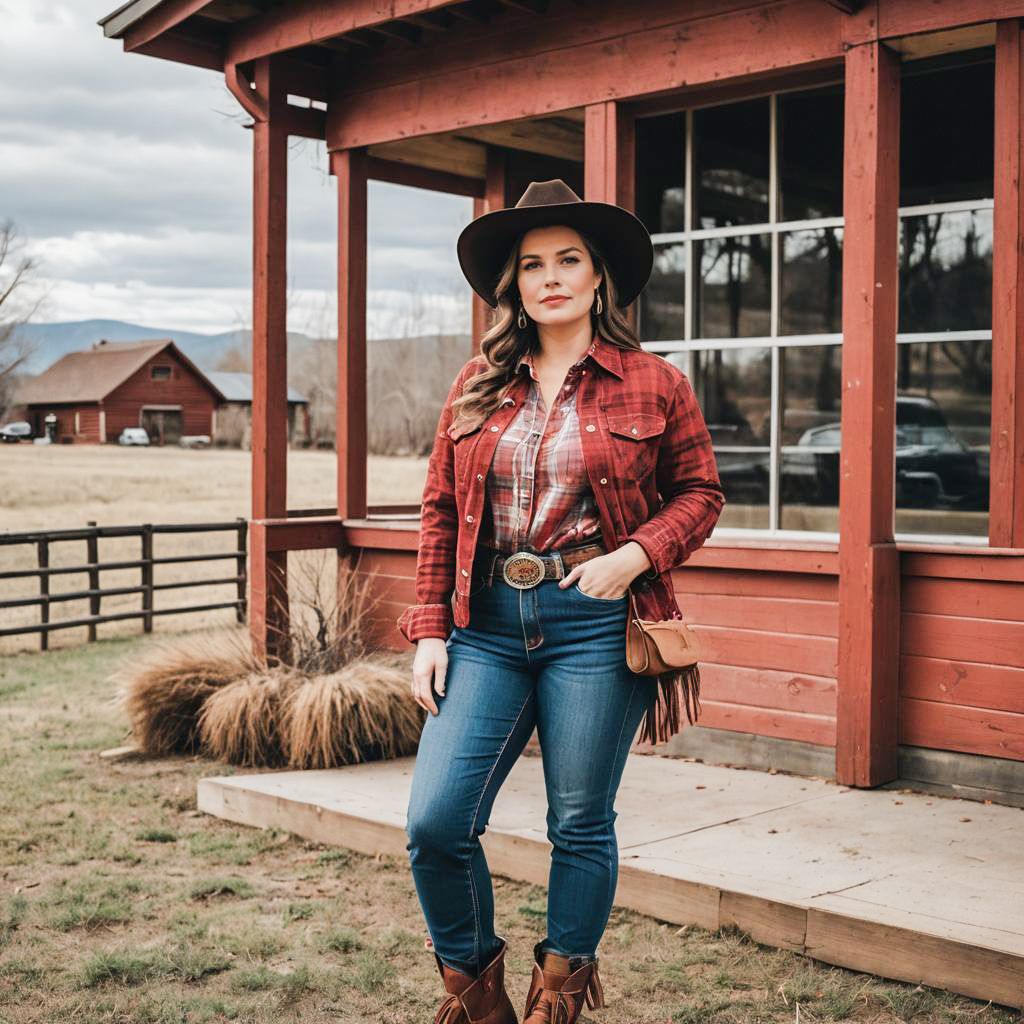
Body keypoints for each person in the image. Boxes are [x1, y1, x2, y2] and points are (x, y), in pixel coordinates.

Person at [396, 179, 725, 1024]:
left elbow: (701, 494)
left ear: (598, 277)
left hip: (595, 621)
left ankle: (559, 996)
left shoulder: (654, 383)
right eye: (532, 263)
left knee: (578, 821)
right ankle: (476, 997)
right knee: (436, 823)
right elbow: (439, 511)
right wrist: (430, 630)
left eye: (568, 260)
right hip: (488, 628)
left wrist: (634, 556)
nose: (550, 277)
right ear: (514, 283)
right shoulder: (477, 384)